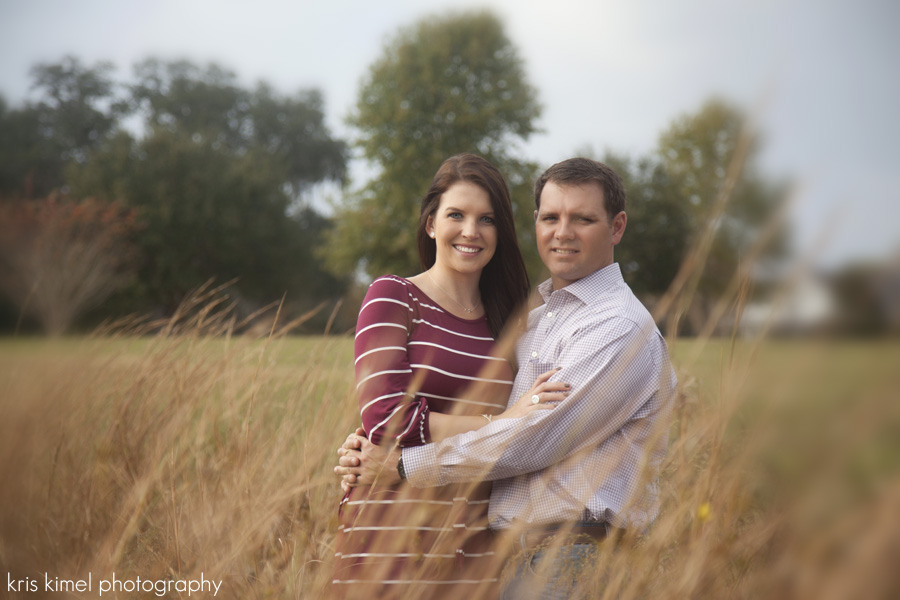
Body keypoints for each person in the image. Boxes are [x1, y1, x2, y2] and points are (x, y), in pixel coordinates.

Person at [336, 157, 678, 599]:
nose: (563, 232)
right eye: (551, 217)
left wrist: (399, 464)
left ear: (616, 228)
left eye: (584, 219)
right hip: (488, 547)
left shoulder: (617, 327)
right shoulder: (532, 320)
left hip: (569, 547)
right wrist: (369, 440)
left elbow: (532, 435)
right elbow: (394, 415)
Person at [332, 153, 571, 599]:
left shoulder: (512, 325)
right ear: (430, 224)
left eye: (486, 219)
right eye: (456, 215)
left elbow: (534, 430)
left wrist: (512, 424)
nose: (470, 231)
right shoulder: (394, 296)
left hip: (473, 535)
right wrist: (499, 423)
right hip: (390, 525)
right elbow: (386, 418)